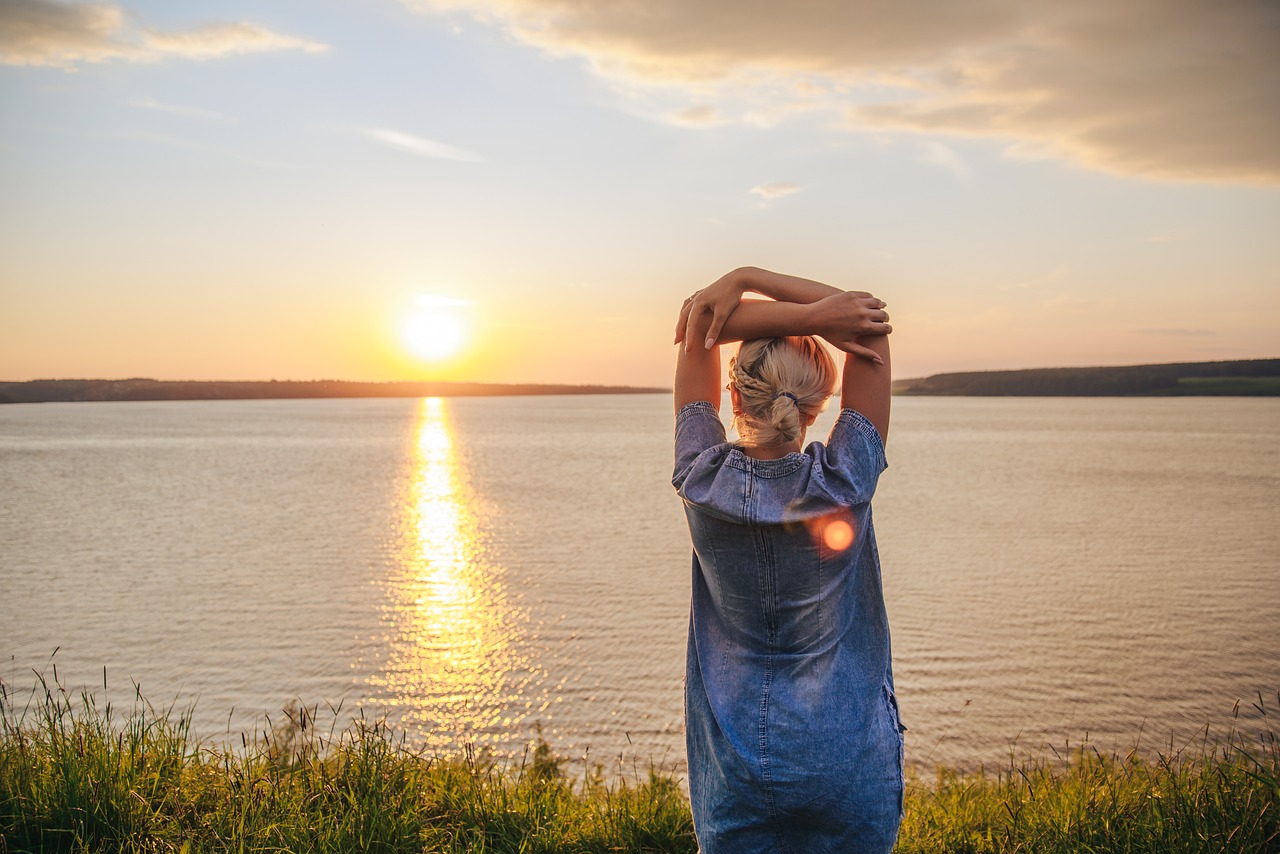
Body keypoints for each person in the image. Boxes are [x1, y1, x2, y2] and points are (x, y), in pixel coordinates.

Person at [671, 266, 902, 854]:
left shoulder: (702, 478)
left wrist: (747, 286)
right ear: (818, 405)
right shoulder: (845, 479)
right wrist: (782, 293)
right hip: (848, 764)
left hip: (736, 770)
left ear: (732, 394)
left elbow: (700, 322)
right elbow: (870, 326)